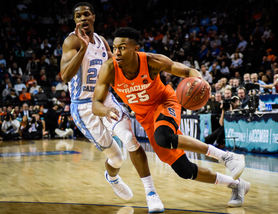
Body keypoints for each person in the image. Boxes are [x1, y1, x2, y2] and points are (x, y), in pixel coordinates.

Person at [92, 27, 250, 208]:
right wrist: (105, 111)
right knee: (184, 170)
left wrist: (201, 84)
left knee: (164, 137)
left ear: (135, 49)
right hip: (145, 117)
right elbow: (95, 103)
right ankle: (237, 185)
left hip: (165, 102)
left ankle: (227, 157)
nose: (117, 52)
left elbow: (188, 72)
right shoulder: (109, 68)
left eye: (122, 47)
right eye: (114, 48)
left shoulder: (152, 61)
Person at [60, 3, 163, 212]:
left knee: (129, 139)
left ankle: (151, 193)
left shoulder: (103, 43)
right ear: (75, 21)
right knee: (117, 158)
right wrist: (84, 48)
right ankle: (112, 177)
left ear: (94, 17)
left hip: (105, 98)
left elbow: (116, 70)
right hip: (83, 108)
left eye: (86, 14)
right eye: (78, 16)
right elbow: (65, 76)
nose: (82, 19)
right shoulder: (71, 41)